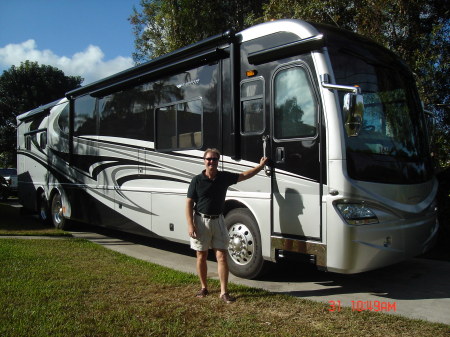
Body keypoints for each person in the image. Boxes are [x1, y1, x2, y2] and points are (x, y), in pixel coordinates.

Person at [185, 148, 268, 303]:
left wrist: (260, 167)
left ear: (218, 161)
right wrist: (191, 225)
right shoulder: (196, 180)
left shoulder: (223, 177)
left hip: (219, 221)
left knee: (222, 256)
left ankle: (224, 292)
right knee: (201, 256)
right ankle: (204, 287)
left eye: (214, 159)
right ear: (204, 161)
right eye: (209, 159)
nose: (211, 162)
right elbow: (189, 203)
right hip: (201, 221)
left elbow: (244, 175)